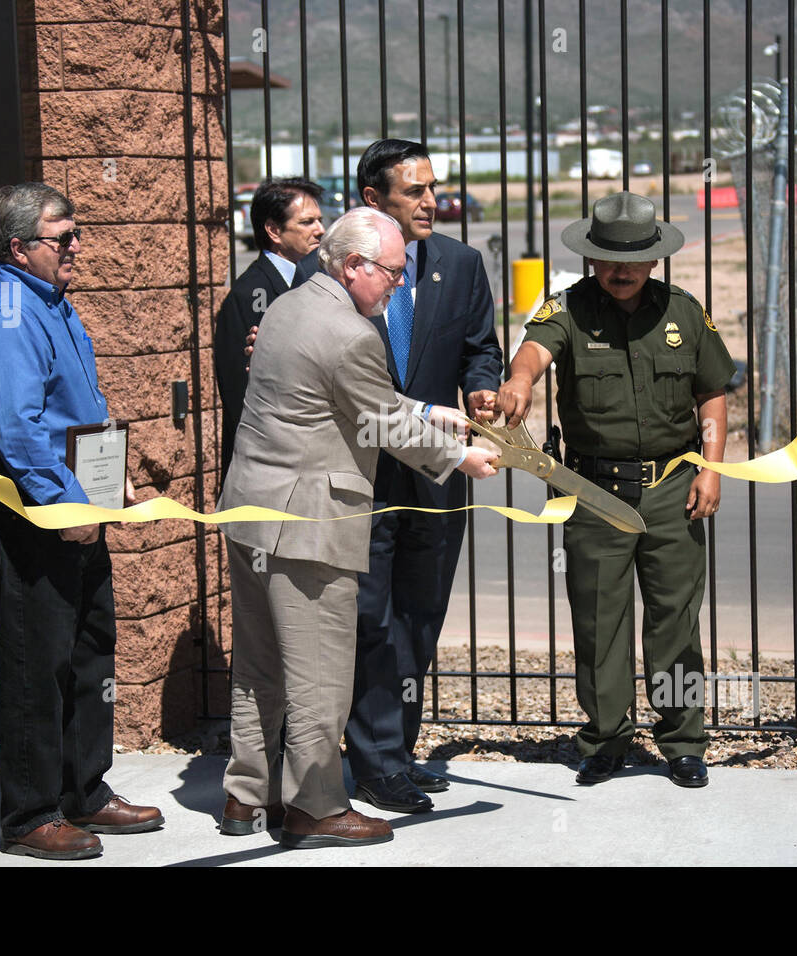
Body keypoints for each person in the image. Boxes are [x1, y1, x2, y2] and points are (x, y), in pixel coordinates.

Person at [219, 207, 498, 847]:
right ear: (353, 266)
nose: (400, 285)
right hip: (310, 524)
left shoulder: (291, 305)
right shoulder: (351, 333)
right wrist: (459, 457)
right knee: (320, 671)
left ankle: (245, 798)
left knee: (260, 665)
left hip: (254, 512)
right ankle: (316, 806)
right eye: (393, 274)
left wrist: (434, 410)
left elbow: (353, 394)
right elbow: (384, 422)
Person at [495, 191, 734, 789]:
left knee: (673, 620)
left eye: (634, 259)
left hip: (670, 488)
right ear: (592, 258)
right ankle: (605, 739)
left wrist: (712, 467)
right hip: (596, 491)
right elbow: (533, 351)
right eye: (609, 259)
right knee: (600, 622)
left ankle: (682, 740)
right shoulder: (569, 309)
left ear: (654, 259)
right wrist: (519, 380)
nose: (622, 271)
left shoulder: (684, 313)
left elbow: (712, 392)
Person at [292, 140, 502, 814]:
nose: (431, 202)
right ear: (373, 200)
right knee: (370, 619)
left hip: (438, 478)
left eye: (432, 188)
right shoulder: (325, 274)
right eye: (414, 192)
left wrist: (481, 390)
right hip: (363, 477)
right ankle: (377, 762)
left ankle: (397, 752)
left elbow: (480, 350)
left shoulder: (461, 265)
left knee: (420, 617)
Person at [0, 183, 163, 859]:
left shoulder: (50, 302)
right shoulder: (10, 314)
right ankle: (30, 815)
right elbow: (17, 432)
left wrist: (108, 483)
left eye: (76, 233)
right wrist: (62, 505)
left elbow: (70, 413)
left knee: (86, 652)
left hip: (73, 505)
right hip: (32, 516)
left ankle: (85, 792)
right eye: (61, 237)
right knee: (35, 664)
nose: (76, 246)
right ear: (18, 247)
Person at [214, 178, 325, 483]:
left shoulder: (317, 283)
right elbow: (240, 392)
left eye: (319, 220)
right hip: (269, 471)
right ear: (274, 230)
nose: (320, 230)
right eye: (307, 222)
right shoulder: (250, 293)